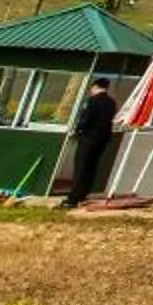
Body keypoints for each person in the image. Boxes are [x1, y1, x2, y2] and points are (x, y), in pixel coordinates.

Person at [62, 77, 118, 209]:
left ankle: (73, 198)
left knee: (81, 167)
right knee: (91, 167)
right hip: (102, 139)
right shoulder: (111, 102)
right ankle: (83, 194)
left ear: (95, 86)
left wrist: (77, 130)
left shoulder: (92, 101)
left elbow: (86, 119)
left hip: (88, 138)